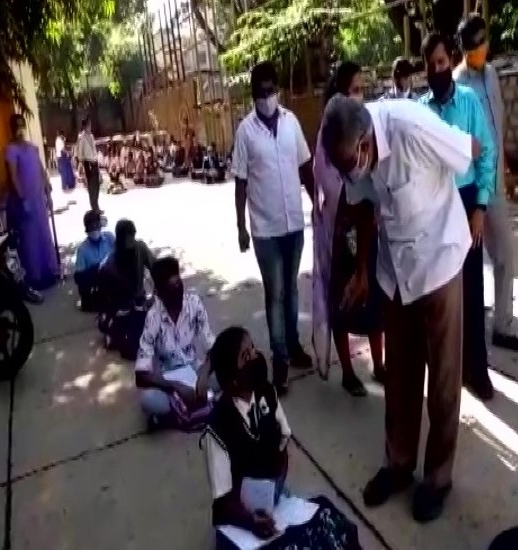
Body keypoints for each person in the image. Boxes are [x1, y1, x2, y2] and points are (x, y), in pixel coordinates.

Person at [319, 94, 478, 522]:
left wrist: (476, 206)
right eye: (340, 166)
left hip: (440, 265)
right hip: (394, 276)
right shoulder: (349, 155)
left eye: (350, 162)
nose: (346, 171)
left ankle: (438, 477)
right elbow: (366, 207)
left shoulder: (411, 127)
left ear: (367, 142)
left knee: (443, 382)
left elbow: (470, 150)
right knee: (401, 380)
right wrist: (363, 272)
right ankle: (399, 465)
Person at [199, 326, 363, 549]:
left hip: (272, 500)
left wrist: (275, 488)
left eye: (253, 350)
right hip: (237, 520)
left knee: (327, 521)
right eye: (245, 357)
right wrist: (251, 520)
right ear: (231, 381)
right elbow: (223, 502)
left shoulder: (266, 393)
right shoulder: (217, 429)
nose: (256, 358)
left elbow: (282, 446)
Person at [419, 31, 496, 401]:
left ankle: (477, 371)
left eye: (442, 62)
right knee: (442, 295)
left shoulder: (468, 103)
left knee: (471, 289)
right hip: (435, 205)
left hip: (466, 202)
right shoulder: (421, 110)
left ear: (451, 61)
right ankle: (448, 374)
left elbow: (486, 155)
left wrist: (480, 207)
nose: (438, 69)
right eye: (431, 65)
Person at [232, 61, 315, 396]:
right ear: (253, 94)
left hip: (293, 223)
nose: (268, 96)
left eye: (271, 89)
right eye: (262, 91)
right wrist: (240, 226)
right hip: (264, 229)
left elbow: (305, 166)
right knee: (275, 292)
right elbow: (240, 182)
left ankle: (293, 346)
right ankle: (279, 360)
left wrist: (317, 203)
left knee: (292, 289)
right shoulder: (245, 131)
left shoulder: (291, 121)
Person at [455, 14, 518, 352]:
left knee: (506, 256)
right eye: (474, 47)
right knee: (465, 264)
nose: (481, 51)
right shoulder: (458, 83)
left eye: (483, 44)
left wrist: (508, 168)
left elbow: (498, 129)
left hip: (495, 184)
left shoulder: (492, 75)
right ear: (465, 49)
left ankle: (503, 325)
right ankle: (465, 329)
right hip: (470, 189)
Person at [312, 61, 384, 395]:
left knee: (373, 292)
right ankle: (348, 373)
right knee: (342, 299)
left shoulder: (367, 125)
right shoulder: (330, 131)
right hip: (341, 229)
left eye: (361, 89)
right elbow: (325, 177)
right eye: (354, 89)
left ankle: (379, 364)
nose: (360, 95)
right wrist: (349, 202)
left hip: (367, 226)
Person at [135, 256, 215, 428]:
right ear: (159, 292)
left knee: (229, 370)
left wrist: (203, 375)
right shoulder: (153, 318)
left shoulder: (194, 304)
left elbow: (213, 348)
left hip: (195, 369)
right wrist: (175, 386)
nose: (178, 291)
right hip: (168, 379)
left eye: (179, 284)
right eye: (171, 288)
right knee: (148, 400)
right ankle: (194, 405)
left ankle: (182, 410)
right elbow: (141, 376)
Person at [4, 113, 59, 291]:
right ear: (12, 130)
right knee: (29, 240)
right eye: (17, 126)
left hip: (38, 200)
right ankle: (34, 278)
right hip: (24, 203)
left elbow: (41, 172)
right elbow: (13, 177)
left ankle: (49, 272)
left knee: (44, 235)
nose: (20, 129)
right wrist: (22, 199)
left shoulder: (33, 148)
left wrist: (48, 190)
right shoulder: (11, 150)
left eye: (22, 125)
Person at [98, 219, 155, 358]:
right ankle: (113, 335)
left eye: (133, 236)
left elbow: (157, 268)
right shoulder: (109, 264)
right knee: (130, 350)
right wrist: (114, 311)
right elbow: (103, 300)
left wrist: (155, 296)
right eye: (127, 237)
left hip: (139, 304)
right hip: (119, 308)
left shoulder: (140, 248)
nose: (131, 241)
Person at [74, 210, 114, 312]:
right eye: (91, 226)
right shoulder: (82, 249)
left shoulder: (109, 238)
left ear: (100, 226)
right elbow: (79, 278)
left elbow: (122, 253)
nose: (94, 229)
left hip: (113, 276)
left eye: (96, 225)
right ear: (87, 228)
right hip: (96, 282)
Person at [75, 118, 101, 213]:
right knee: (91, 186)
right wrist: (81, 164)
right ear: (85, 126)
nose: (90, 127)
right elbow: (80, 152)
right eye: (89, 125)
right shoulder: (81, 137)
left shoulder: (91, 136)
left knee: (97, 185)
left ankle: (97, 204)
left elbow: (94, 149)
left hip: (94, 161)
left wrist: (96, 158)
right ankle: (94, 207)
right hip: (88, 163)